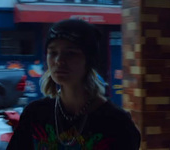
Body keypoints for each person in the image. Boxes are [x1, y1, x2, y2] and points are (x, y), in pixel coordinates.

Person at [7, 19, 140, 150]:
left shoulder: (117, 123)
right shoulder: (35, 114)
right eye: (53, 53)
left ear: (89, 61)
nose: (59, 61)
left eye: (71, 53)